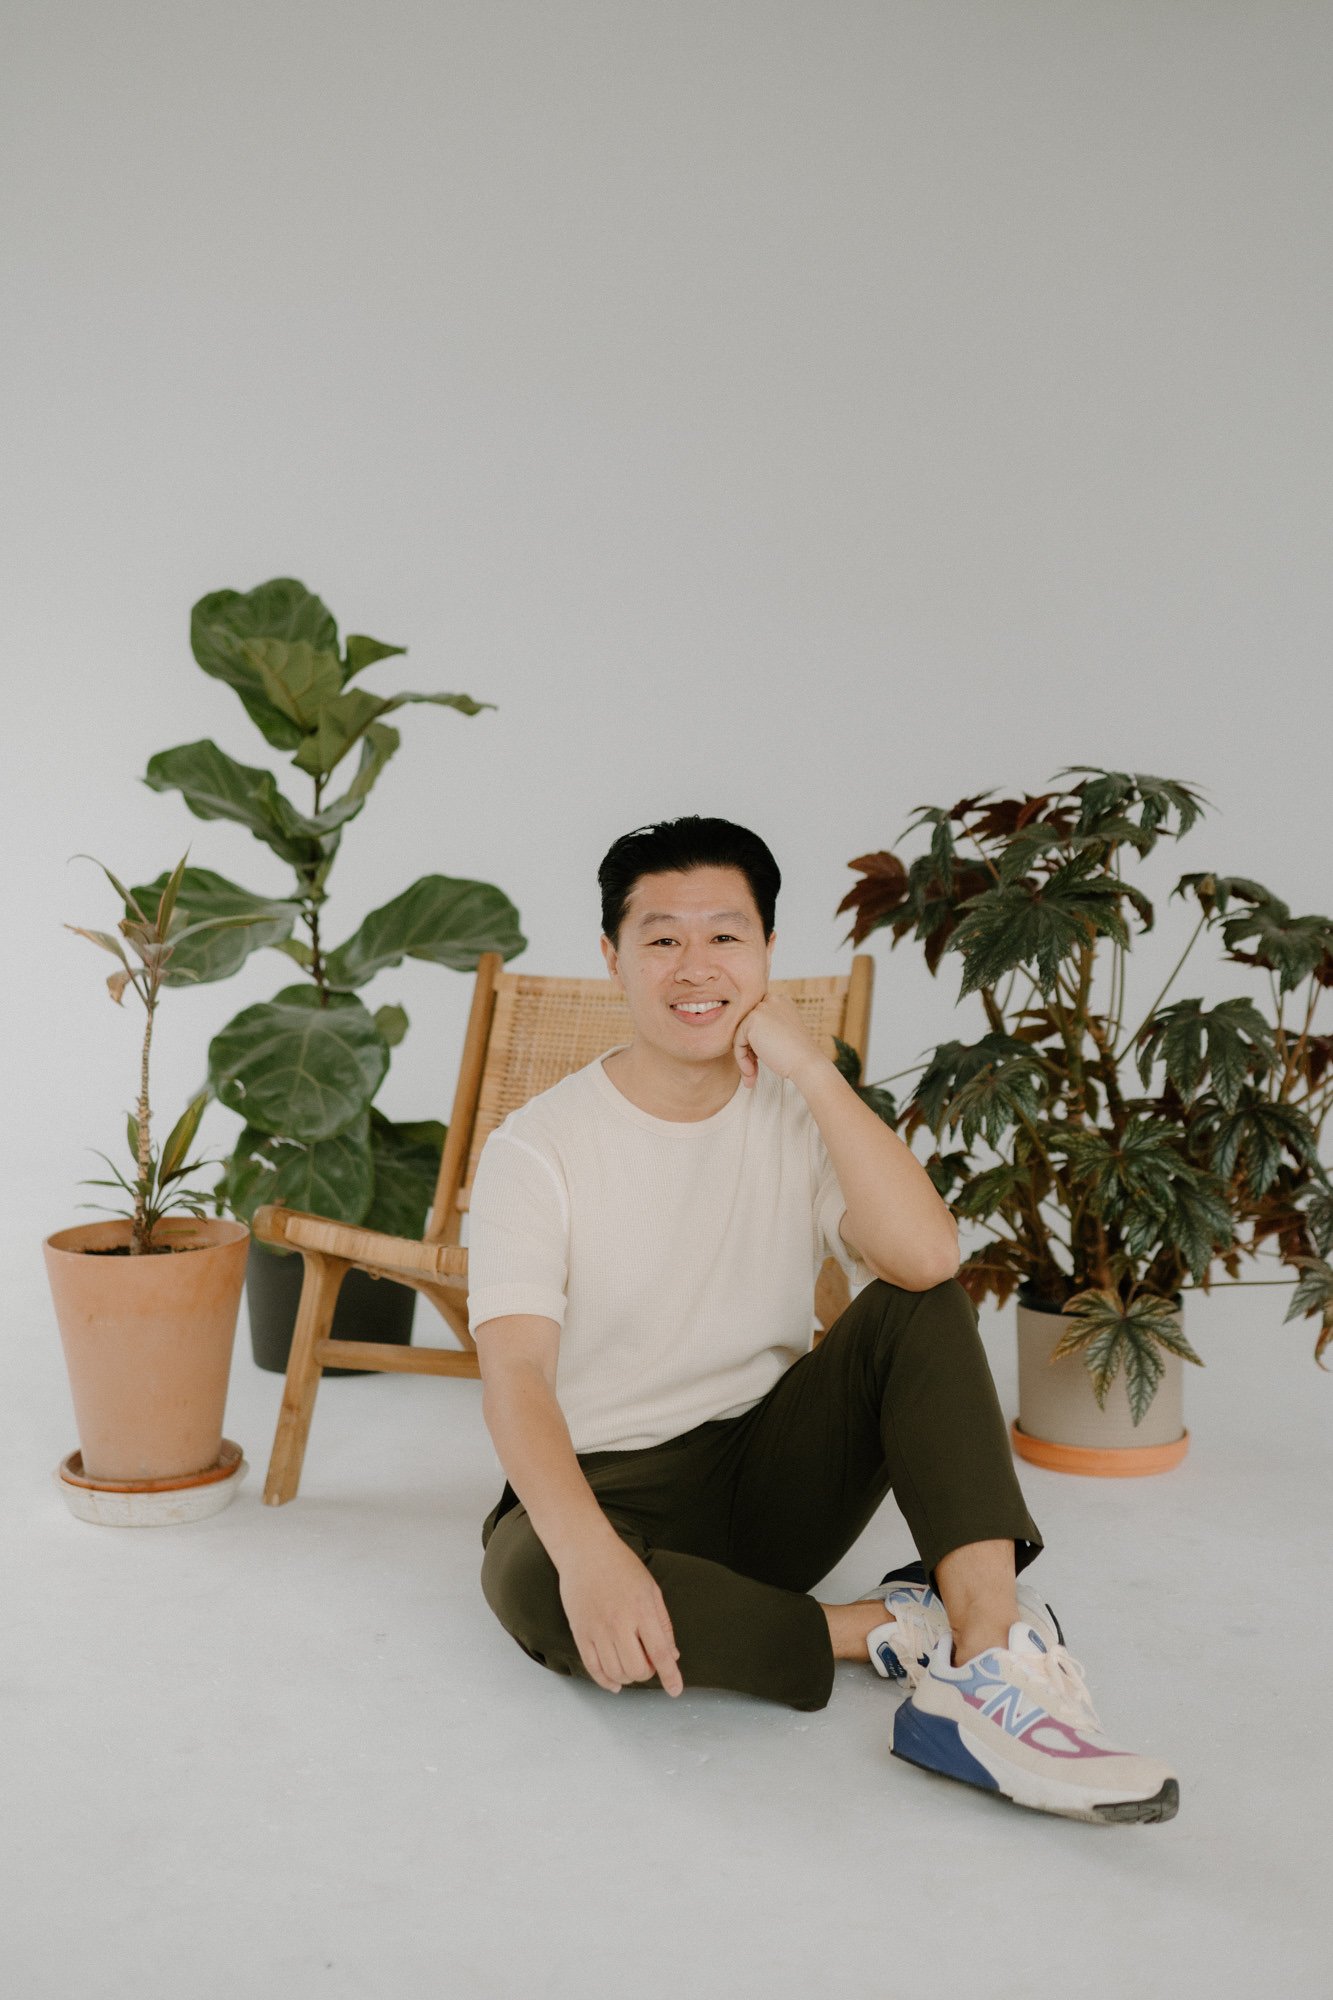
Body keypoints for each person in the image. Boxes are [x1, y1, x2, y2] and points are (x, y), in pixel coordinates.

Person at [469, 816, 1178, 1825]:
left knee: (914, 1298)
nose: (693, 964)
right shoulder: (536, 1147)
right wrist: (588, 1552)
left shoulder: (797, 1112)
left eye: (726, 935)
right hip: (611, 1484)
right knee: (534, 1581)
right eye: (661, 937)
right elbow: (517, 1380)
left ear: (764, 956)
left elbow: (929, 1257)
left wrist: (811, 1070)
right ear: (612, 959)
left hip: (771, 1471)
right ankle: (877, 1628)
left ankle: (984, 1657)